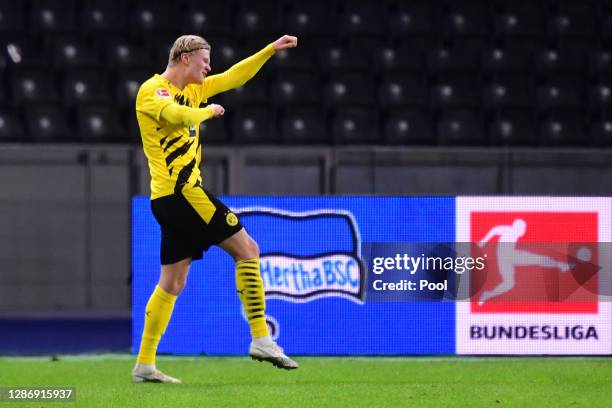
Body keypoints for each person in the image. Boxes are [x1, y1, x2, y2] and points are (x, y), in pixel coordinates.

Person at [132, 34, 299, 383]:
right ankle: (261, 338)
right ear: (183, 57)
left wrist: (269, 50)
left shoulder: (195, 89)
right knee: (247, 249)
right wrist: (206, 112)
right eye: (204, 60)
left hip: (167, 201)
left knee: (172, 282)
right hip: (183, 195)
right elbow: (175, 116)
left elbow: (234, 77)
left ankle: (145, 364)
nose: (209, 67)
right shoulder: (153, 90)